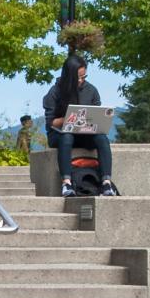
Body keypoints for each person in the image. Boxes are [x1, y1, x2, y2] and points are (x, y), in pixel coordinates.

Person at [43, 54, 121, 196]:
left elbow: (97, 113)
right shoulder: (55, 92)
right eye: (78, 77)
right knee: (67, 136)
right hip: (60, 135)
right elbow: (50, 122)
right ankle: (66, 184)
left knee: (102, 138)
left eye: (84, 77)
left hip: (85, 133)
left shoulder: (91, 90)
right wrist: (69, 118)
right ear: (69, 76)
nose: (81, 80)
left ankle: (106, 183)